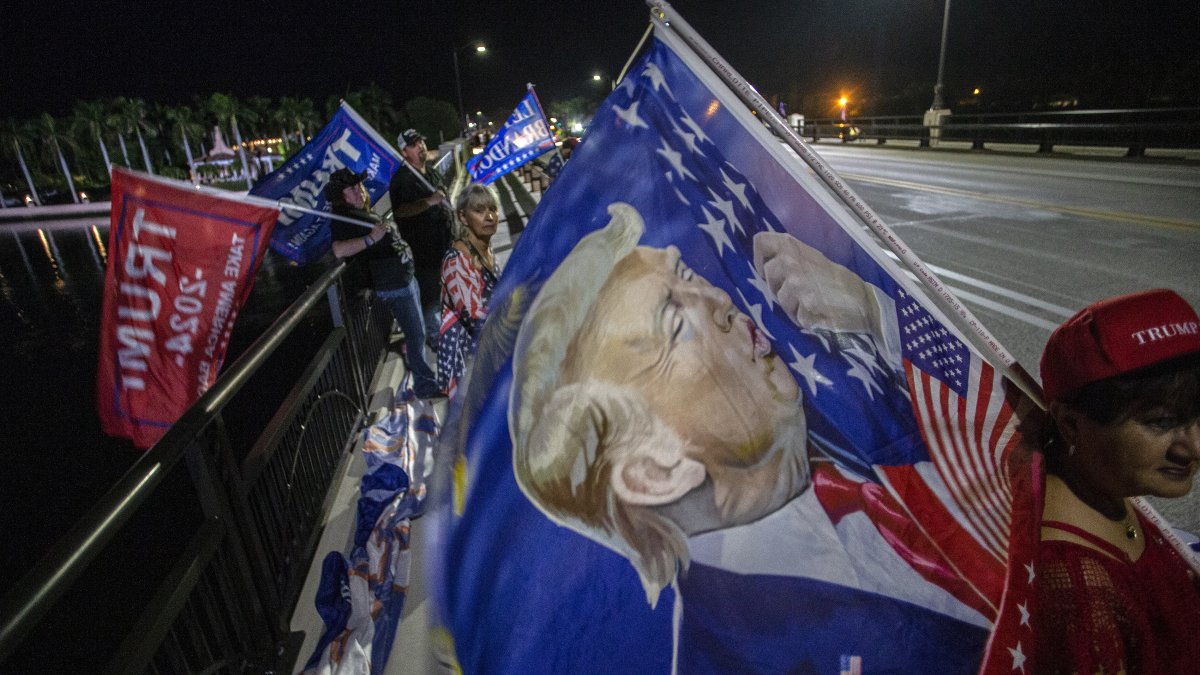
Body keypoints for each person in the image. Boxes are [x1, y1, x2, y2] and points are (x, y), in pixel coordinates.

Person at [1034, 288, 1200, 673]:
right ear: (1072, 425)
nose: (1193, 448)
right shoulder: (1076, 588)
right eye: (1161, 422)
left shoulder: (1105, 484)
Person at [325, 167, 443, 399]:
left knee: (416, 332)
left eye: (358, 187)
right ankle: (425, 385)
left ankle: (424, 379)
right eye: (351, 190)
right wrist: (371, 239)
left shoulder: (361, 212)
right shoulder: (343, 219)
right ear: (342, 197)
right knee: (416, 334)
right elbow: (339, 249)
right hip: (395, 285)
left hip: (405, 279)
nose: (359, 192)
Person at [437, 184, 502, 398]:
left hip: (489, 350)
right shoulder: (456, 261)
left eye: (493, 209)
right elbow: (475, 317)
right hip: (467, 363)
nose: (490, 216)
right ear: (463, 218)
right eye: (480, 210)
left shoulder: (486, 249)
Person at [389, 128, 453, 341]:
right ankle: (435, 337)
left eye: (421, 142)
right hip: (424, 252)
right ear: (404, 151)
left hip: (444, 245)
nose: (421, 147)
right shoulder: (402, 179)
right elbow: (400, 210)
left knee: (446, 290)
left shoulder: (432, 172)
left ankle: (446, 328)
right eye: (414, 144)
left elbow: (443, 197)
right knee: (431, 297)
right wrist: (428, 202)